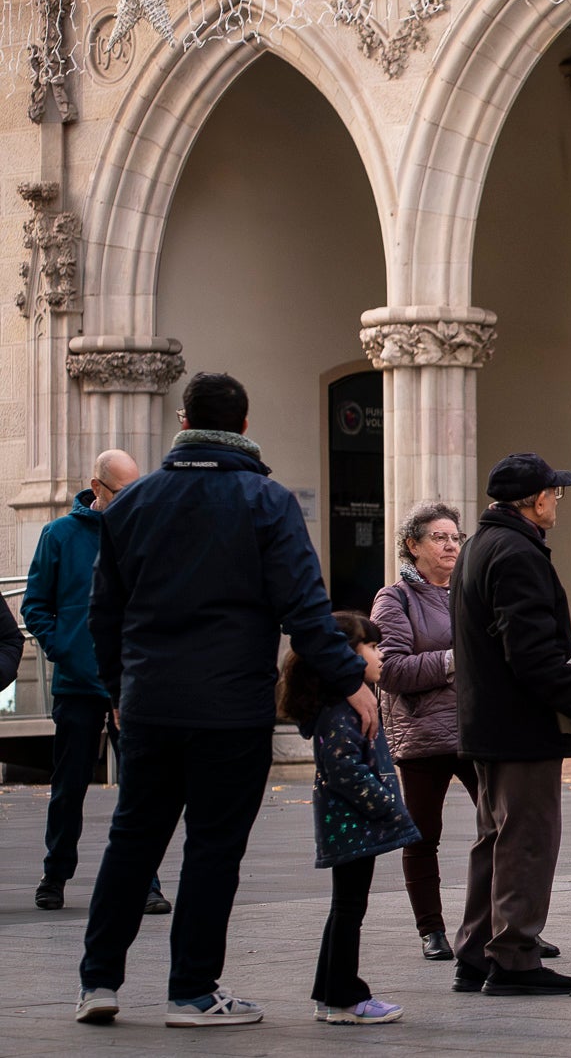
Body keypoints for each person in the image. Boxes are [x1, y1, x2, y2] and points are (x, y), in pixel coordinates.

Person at [77, 372, 375, 1028]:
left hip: (150, 701)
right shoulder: (266, 501)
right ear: (243, 426)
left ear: (183, 422)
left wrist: (117, 688)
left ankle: (98, 980)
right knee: (213, 847)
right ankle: (191, 991)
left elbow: (103, 613)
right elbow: (304, 608)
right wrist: (351, 681)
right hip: (231, 707)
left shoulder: (132, 503)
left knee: (133, 837)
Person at [451, 452, 571, 997]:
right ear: (537, 500)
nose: (558, 503)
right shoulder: (518, 553)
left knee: (494, 838)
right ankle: (515, 957)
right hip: (520, 727)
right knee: (526, 840)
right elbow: (531, 654)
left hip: (487, 722)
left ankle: (476, 952)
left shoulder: (477, 546)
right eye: (555, 493)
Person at [22, 449, 171, 915]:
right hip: (78, 685)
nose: (129, 502)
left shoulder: (142, 535)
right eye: (121, 493)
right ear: (96, 486)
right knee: (69, 786)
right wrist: (68, 652)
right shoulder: (59, 535)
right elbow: (35, 608)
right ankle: (55, 874)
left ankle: (146, 881)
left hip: (133, 689)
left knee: (140, 790)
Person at [281, 611, 419, 1025]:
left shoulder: (347, 704)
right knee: (349, 908)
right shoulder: (341, 709)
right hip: (352, 826)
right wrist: (389, 807)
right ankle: (345, 996)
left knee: (346, 907)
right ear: (346, 656)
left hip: (353, 826)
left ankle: (330, 991)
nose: (381, 655)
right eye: (373, 647)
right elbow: (345, 769)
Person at [372, 502, 482, 962]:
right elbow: (390, 668)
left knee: (504, 829)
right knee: (423, 836)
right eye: (439, 537)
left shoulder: (471, 593)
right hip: (422, 735)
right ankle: (431, 930)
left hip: (478, 729)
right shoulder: (394, 599)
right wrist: (452, 662)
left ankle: (510, 926)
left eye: (455, 537)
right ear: (412, 545)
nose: (451, 544)